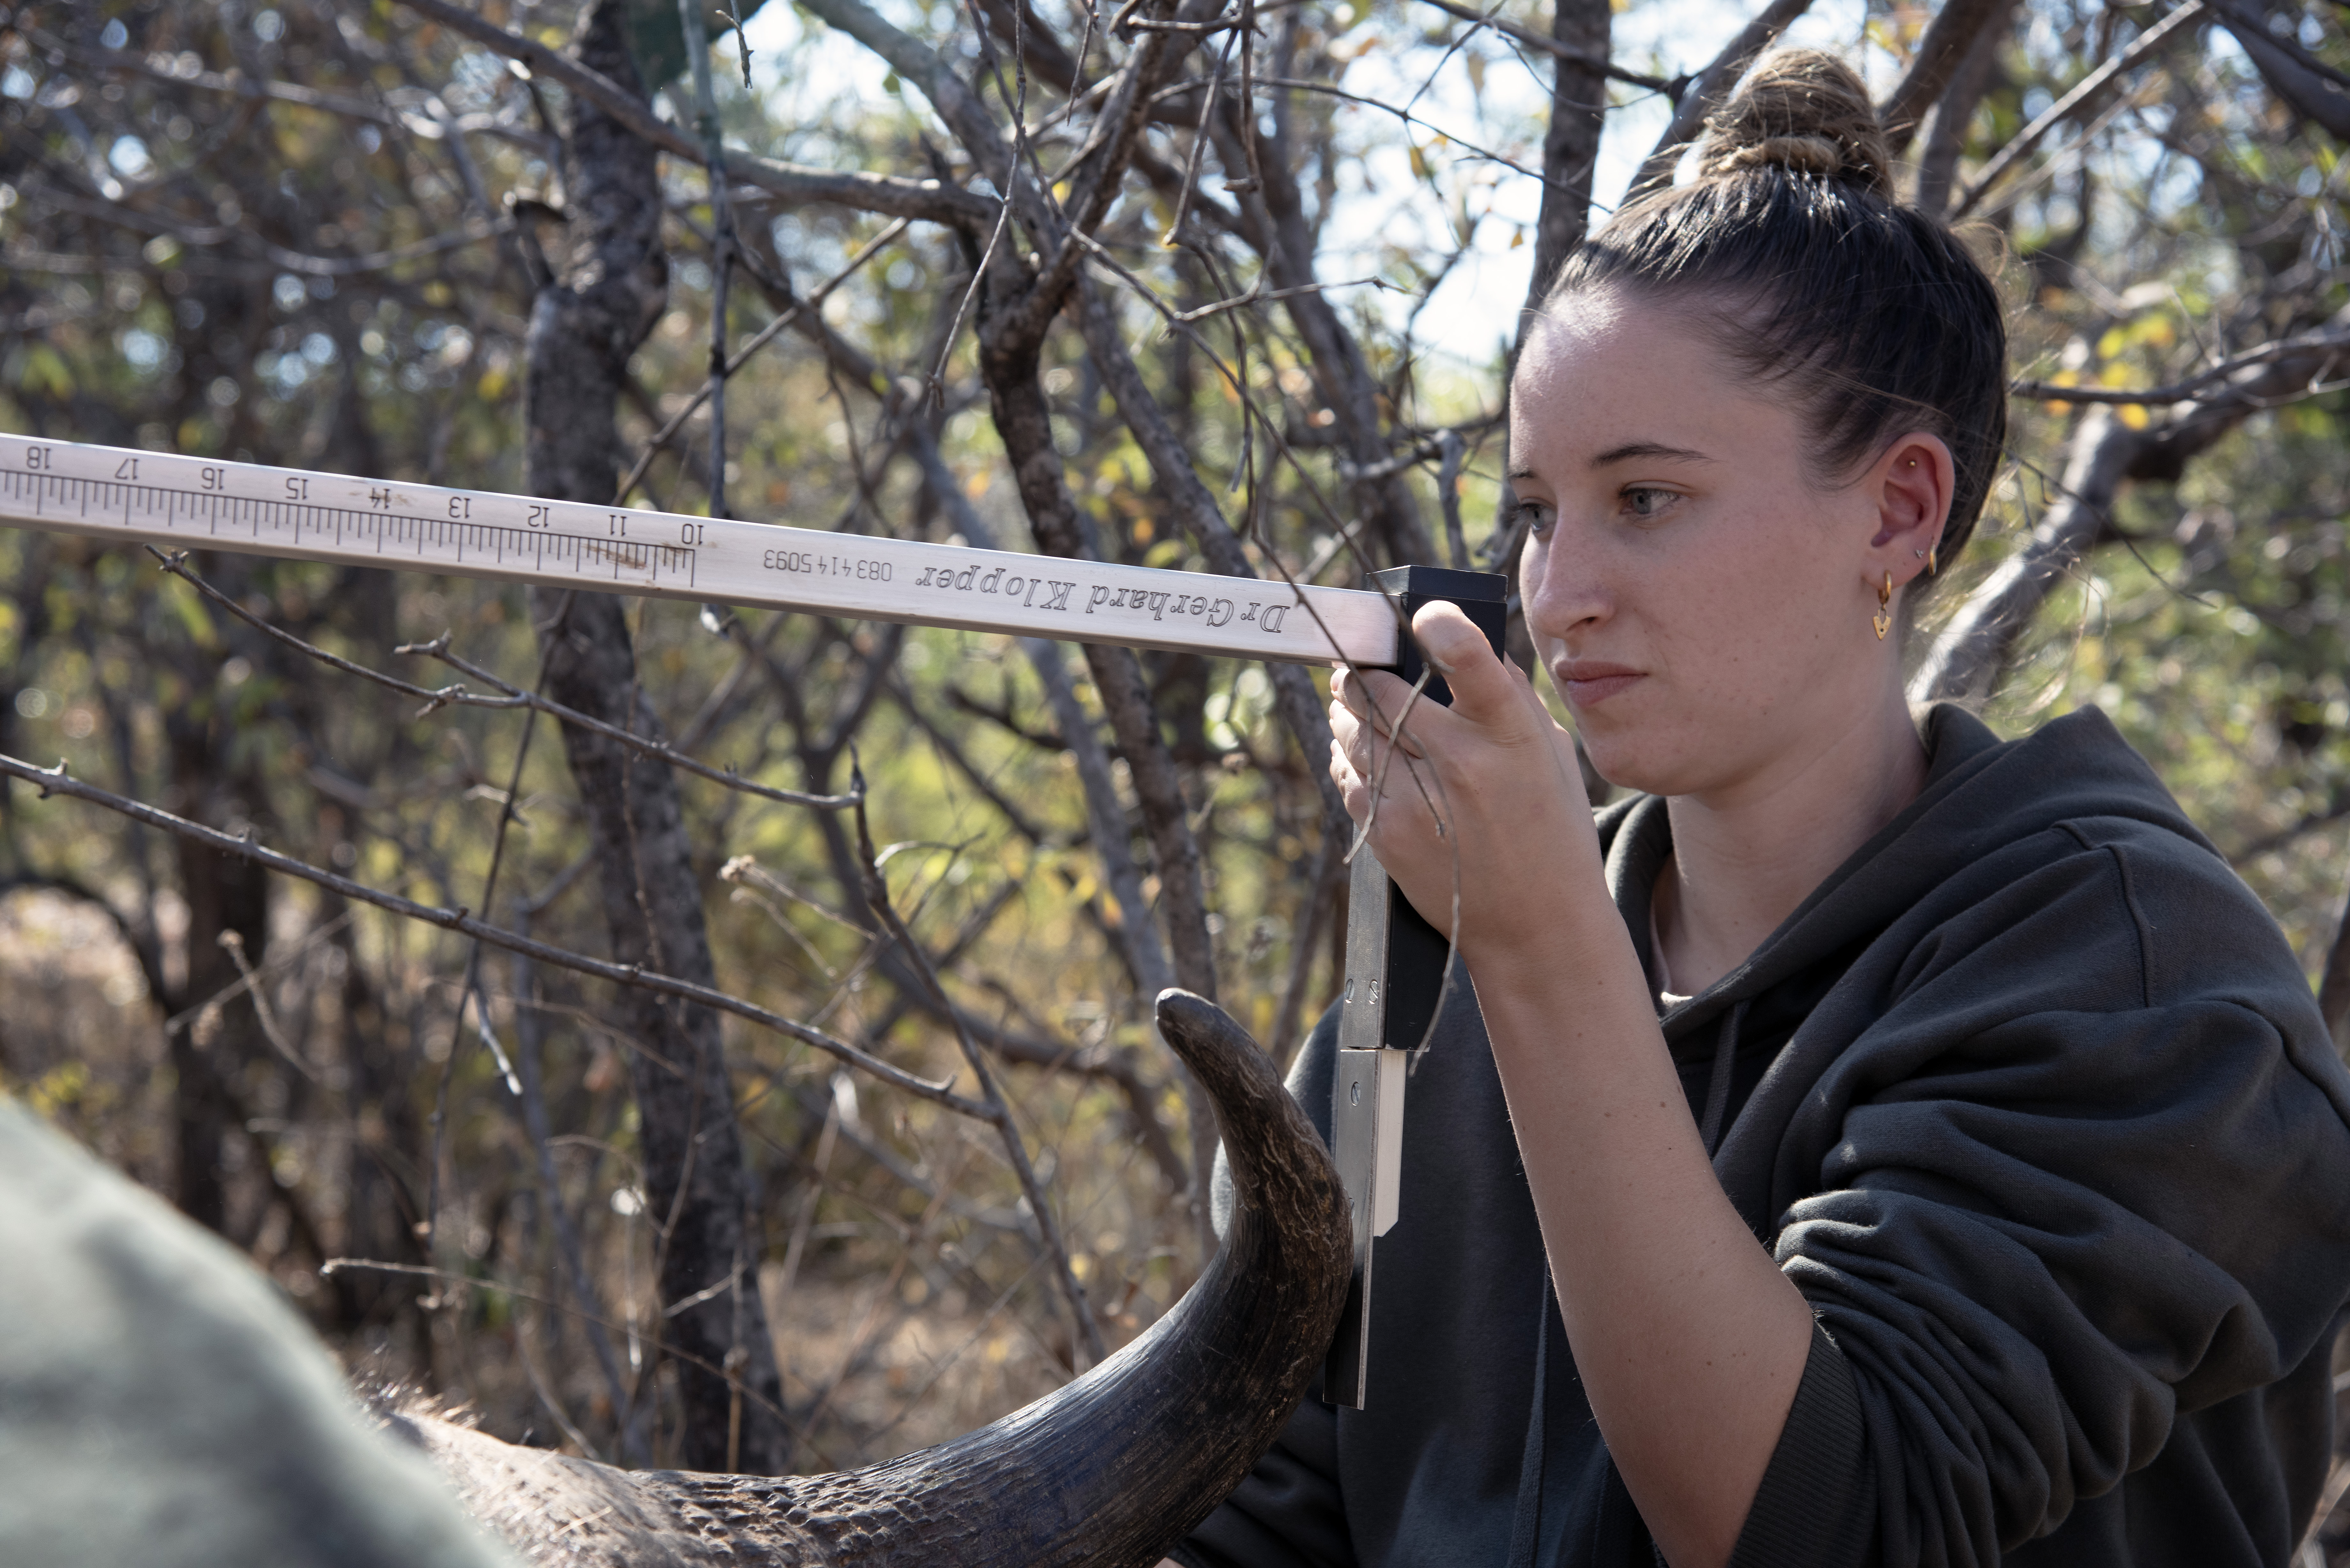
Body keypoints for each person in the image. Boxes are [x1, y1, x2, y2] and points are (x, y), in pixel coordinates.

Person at [1164, 48, 2350, 1568]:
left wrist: (1539, 950)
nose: (1557, 592)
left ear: (1898, 510)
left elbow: (1831, 1526)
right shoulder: (1441, 980)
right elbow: (1261, 1512)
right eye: (1536, 511)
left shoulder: (2136, 977)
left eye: (1644, 498)